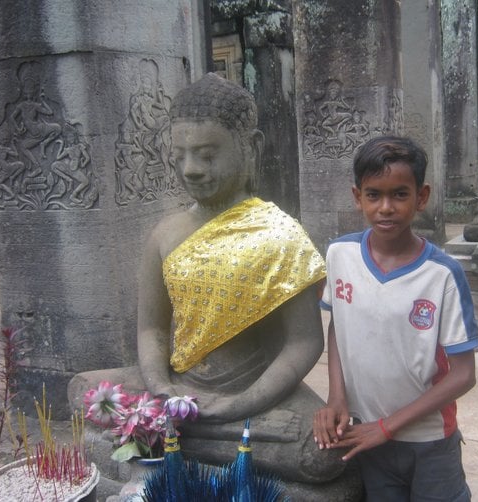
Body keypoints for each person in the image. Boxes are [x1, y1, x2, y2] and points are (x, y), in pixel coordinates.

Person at [69, 73, 345, 485]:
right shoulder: (165, 234)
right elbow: (150, 328)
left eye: (206, 154)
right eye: (178, 156)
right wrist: (162, 386)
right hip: (177, 385)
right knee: (83, 393)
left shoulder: (281, 234)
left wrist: (235, 406)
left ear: (251, 148)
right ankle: (199, 437)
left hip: (255, 392)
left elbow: (305, 342)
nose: (191, 169)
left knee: (323, 453)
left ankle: (172, 438)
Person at [313, 135, 478, 500]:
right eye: (374, 195)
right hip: (366, 434)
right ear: (358, 197)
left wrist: (387, 427)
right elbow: (338, 326)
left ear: (422, 197)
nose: (386, 207)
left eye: (400, 194)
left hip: (430, 439)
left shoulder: (442, 275)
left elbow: (464, 374)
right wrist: (336, 398)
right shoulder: (340, 255)